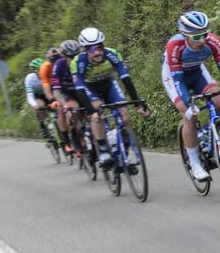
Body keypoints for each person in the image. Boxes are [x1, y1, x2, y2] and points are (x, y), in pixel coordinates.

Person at [163, 10, 220, 182]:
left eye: (205, 34)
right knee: (189, 117)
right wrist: (188, 105)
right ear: (185, 35)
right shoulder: (174, 46)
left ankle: (208, 132)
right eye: (197, 36)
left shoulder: (212, 41)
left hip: (197, 72)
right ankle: (195, 163)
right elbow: (178, 80)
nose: (203, 40)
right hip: (174, 77)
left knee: (219, 100)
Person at [71, 27, 150, 169]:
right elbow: (80, 90)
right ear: (85, 50)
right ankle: (102, 149)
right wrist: (91, 112)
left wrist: (137, 103)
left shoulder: (112, 54)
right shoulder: (78, 63)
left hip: (109, 85)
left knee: (124, 114)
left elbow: (126, 79)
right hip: (90, 89)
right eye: (91, 49)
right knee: (97, 112)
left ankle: (123, 153)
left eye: (99, 47)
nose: (97, 52)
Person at [51, 39, 83, 155]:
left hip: (81, 91)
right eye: (70, 57)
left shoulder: (82, 61)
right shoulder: (59, 65)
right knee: (73, 109)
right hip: (68, 93)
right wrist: (65, 106)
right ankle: (72, 135)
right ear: (64, 56)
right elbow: (56, 90)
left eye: (76, 56)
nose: (74, 59)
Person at [24, 58, 57, 144]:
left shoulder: (49, 73)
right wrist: (34, 105)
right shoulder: (30, 78)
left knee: (56, 107)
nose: (43, 71)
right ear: (35, 71)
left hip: (49, 93)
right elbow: (30, 95)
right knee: (40, 106)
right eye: (40, 70)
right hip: (38, 96)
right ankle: (43, 125)